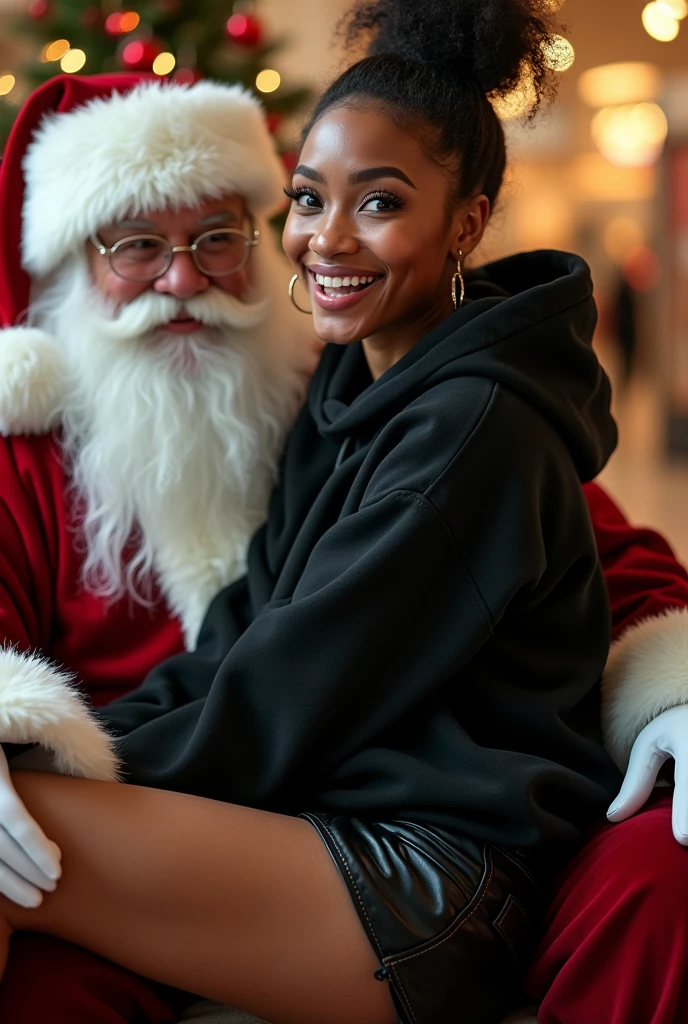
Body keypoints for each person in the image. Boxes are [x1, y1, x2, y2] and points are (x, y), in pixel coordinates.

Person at [1, 8, 688, 1024]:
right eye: (309, 199)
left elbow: (295, 689)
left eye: (378, 203)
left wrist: (66, 767)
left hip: (435, 882)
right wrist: (70, 738)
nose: (327, 237)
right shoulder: (344, 385)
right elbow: (250, 624)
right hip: (342, 837)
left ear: (466, 221)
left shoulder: (473, 429)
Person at [0, 72, 307, 1023]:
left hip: (332, 822)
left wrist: (667, 691)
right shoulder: (26, 451)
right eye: (136, 246)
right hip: (109, 867)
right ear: (73, 268)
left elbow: (588, 541)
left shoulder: (340, 386)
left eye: (218, 237)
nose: (182, 282)